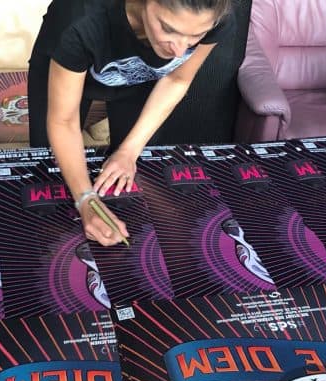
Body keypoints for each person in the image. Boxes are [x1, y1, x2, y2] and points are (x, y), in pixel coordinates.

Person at [28, 0, 235, 246]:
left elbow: (177, 79)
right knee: (49, 167)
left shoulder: (216, 16)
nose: (180, 51)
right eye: (168, 29)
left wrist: (128, 151)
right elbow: (64, 121)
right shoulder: (80, 20)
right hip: (66, 63)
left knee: (132, 170)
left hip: (140, 75)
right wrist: (86, 200)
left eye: (196, 36)